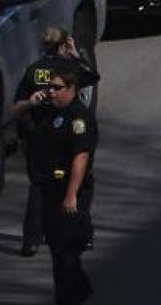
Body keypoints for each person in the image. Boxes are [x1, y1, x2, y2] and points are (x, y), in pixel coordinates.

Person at [12, 26, 99, 257]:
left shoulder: (33, 71)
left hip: (39, 137)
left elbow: (16, 107)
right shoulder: (69, 69)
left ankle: (31, 240)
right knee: (79, 185)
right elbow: (92, 77)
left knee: (38, 189)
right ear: (63, 44)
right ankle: (83, 235)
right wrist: (75, 55)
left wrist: (31, 103)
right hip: (66, 134)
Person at [21, 68, 97, 305]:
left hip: (68, 188)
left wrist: (71, 195)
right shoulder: (50, 111)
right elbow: (13, 114)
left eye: (57, 87)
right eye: (50, 87)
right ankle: (80, 289)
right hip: (49, 189)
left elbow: (81, 157)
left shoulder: (78, 118)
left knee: (65, 249)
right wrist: (29, 103)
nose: (51, 91)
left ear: (72, 89)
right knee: (57, 246)